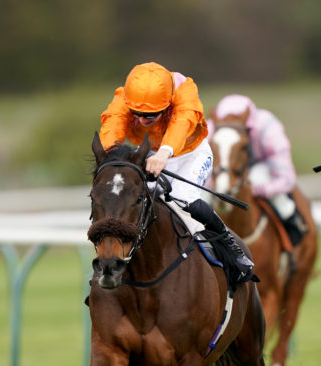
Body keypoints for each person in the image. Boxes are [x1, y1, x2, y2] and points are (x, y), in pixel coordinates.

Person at [99, 62, 254, 284]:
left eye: (151, 115)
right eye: (137, 113)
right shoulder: (126, 97)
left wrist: (164, 153)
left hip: (191, 153)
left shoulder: (184, 90)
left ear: (167, 103)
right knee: (130, 199)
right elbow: (112, 127)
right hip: (150, 153)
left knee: (184, 198)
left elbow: (182, 123)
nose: (142, 120)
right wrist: (110, 158)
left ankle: (231, 249)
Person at [208, 94, 307, 245]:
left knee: (259, 177)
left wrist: (256, 190)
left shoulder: (268, 127)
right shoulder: (209, 130)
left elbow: (287, 179)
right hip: (226, 171)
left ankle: (293, 228)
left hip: (261, 168)